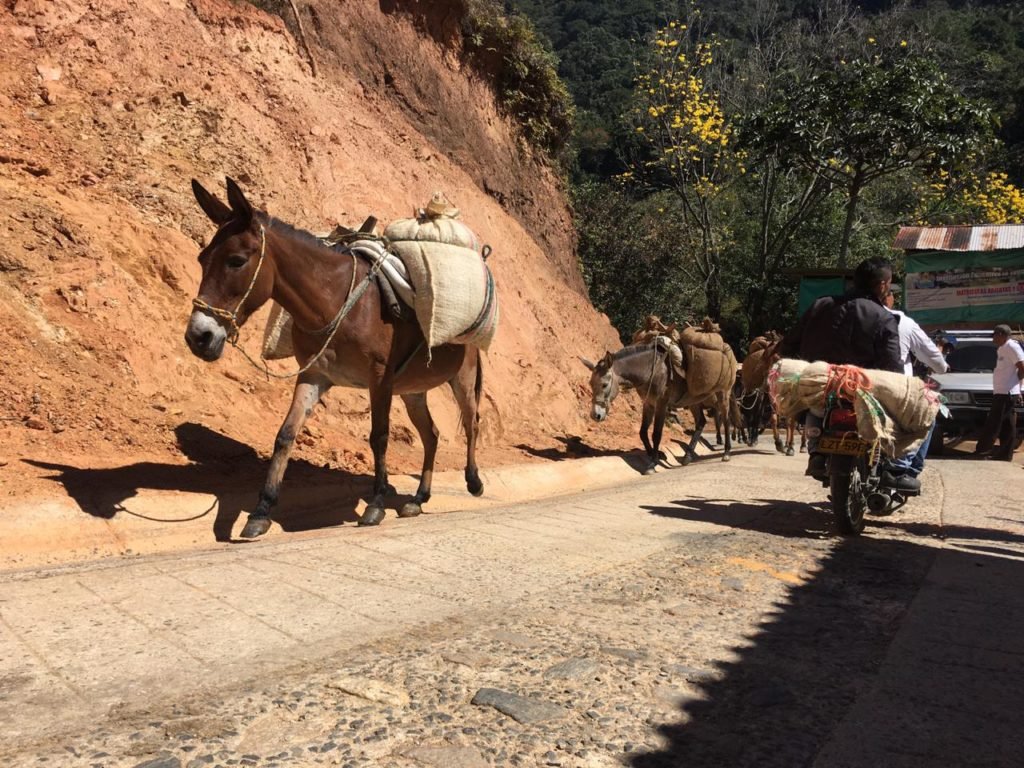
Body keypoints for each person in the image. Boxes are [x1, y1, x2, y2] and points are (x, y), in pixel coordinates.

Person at [779, 257, 902, 480]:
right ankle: (890, 467)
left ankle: (815, 449)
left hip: (821, 386)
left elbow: (788, 344)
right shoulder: (883, 317)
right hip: (864, 390)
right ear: (883, 284)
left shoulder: (820, 305)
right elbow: (892, 363)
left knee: (812, 404)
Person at [881, 288, 949, 490]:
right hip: (896, 388)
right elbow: (934, 358)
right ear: (887, 296)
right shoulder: (902, 322)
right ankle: (903, 470)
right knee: (928, 415)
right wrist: (942, 366)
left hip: (854, 383)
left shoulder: (849, 314)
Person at [973, 324, 1024, 462]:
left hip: (1007, 392)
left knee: (994, 422)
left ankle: (982, 451)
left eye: (994, 335)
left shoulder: (1012, 346)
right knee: (1007, 425)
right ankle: (1004, 454)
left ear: (1001, 334)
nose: (993, 339)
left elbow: (1022, 367)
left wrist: (1015, 385)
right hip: (1002, 391)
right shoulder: (1002, 348)